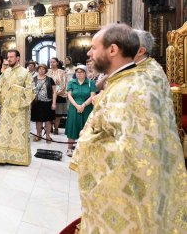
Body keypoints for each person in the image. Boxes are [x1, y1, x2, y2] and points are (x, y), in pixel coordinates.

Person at [70, 23, 187, 233]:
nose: (89, 53)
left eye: (94, 48)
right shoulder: (125, 80)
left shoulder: (134, 90)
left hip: (129, 206)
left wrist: (87, 140)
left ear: (112, 50)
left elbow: (136, 154)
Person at [0, 50, 35, 165]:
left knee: (17, 132)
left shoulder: (25, 73)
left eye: (11, 57)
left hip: (20, 109)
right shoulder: (6, 72)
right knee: (5, 132)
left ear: (18, 58)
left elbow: (31, 91)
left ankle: (18, 158)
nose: (8, 59)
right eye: (8, 57)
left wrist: (16, 89)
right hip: (6, 107)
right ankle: (3, 156)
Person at [65, 64, 95, 157]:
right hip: (74, 108)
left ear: (85, 73)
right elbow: (69, 95)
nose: (79, 74)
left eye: (81, 72)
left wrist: (83, 105)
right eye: (77, 72)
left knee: (86, 128)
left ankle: (83, 149)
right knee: (72, 127)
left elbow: (92, 96)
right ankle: (69, 149)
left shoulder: (91, 83)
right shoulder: (71, 82)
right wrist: (77, 106)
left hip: (87, 108)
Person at [31, 64, 56, 143]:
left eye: (43, 69)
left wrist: (54, 103)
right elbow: (30, 91)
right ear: (37, 70)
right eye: (40, 69)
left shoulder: (50, 79)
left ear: (46, 70)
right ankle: (38, 134)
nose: (41, 71)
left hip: (47, 102)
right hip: (37, 103)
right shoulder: (33, 79)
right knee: (38, 120)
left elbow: (54, 92)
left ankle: (48, 135)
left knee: (48, 120)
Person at [47, 57, 66, 135]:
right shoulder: (47, 72)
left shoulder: (62, 72)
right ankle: (50, 126)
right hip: (49, 95)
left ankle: (56, 128)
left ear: (57, 63)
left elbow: (64, 83)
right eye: (51, 62)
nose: (52, 63)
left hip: (60, 95)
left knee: (58, 113)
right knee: (50, 112)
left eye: (54, 62)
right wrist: (51, 93)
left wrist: (57, 93)